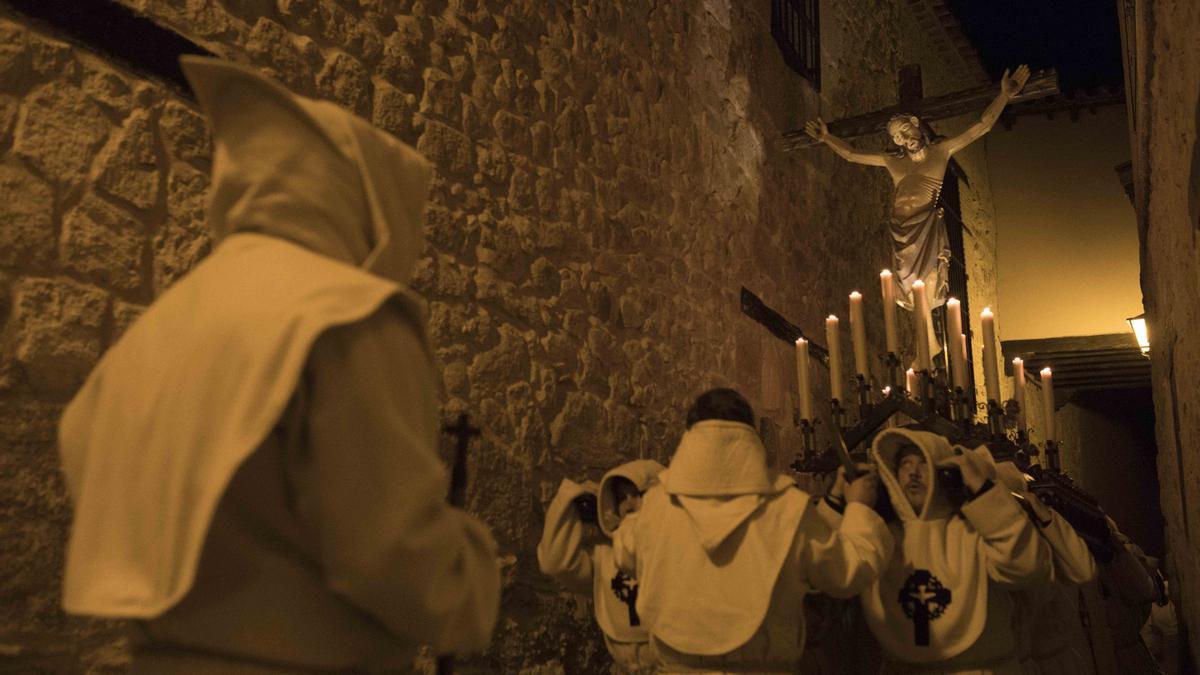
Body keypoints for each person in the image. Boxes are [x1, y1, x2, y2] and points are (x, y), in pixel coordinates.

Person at [56, 56, 500, 673]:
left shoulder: (156, 330)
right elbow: (390, 546)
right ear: (363, 201)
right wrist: (472, 575)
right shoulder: (347, 316)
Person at [611, 388, 894, 673]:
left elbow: (624, 552)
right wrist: (859, 507)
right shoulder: (787, 507)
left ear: (690, 436)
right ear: (750, 434)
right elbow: (846, 571)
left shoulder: (655, 506)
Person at [803, 65, 1031, 312]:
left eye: (904, 130)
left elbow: (981, 126)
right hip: (900, 231)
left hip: (923, 227)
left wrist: (1004, 96)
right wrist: (826, 138)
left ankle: (930, 339)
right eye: (897, 138)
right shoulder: (893, 162)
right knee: (908, 291)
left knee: (925, 286)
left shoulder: (940, 152)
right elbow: (850, 154)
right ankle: (927, 340)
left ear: (915, 123)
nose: (903, 138)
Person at [861, 429, 1052, 675]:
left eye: (924, 464)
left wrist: (983, 491)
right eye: (905, 464)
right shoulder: (882, 535)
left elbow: (1026, 567)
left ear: (944, 472)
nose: (913, 473)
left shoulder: (975, 528)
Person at [537, 458, 666, 673]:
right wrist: (570, 501)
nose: (628, 503)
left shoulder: (676, 553)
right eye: (620, 497)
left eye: (637, 494)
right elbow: (555, 563)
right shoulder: (605, 557)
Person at [992, 460, 1098, 675]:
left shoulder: (1043, 532)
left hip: (1060, 659)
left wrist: (1047, 518)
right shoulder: (994, 545)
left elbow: (1083, 569)